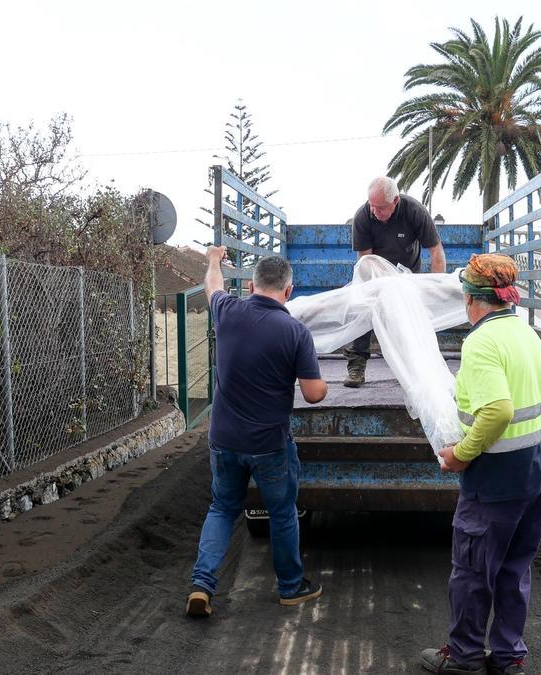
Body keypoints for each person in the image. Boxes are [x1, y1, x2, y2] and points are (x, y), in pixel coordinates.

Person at [421, 254, 541, 675]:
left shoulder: (481, 342)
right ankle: (508, 656)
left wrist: (460, 455)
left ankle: (463, 656)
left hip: (499, 480)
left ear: (470, 299)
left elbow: (498, 410)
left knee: (471, 570)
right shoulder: (526, 334)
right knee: (514, 569)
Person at [186, 246, 329, 618]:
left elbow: (213, 285)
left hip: (224, 439)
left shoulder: (227, 311)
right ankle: (290, 588)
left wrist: (214, 259)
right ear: (289, 291)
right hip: (269, 445)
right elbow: (314, 394)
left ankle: (202, 585)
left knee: (221, 507)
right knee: (282, 513)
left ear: (250, 286)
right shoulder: (295, 331)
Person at [344, 176, 446, 387]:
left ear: (395, 202)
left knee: (410, 319)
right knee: (361, 310)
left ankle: (412, 368)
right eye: (372, 206)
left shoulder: (414, 211)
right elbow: (365, 260)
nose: (375, 212)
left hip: (407, 275)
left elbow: (436, 252)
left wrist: (436, 287)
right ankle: (356, 366)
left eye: (380, 208)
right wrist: (378, 285)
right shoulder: (363, 216)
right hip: (374, 273)